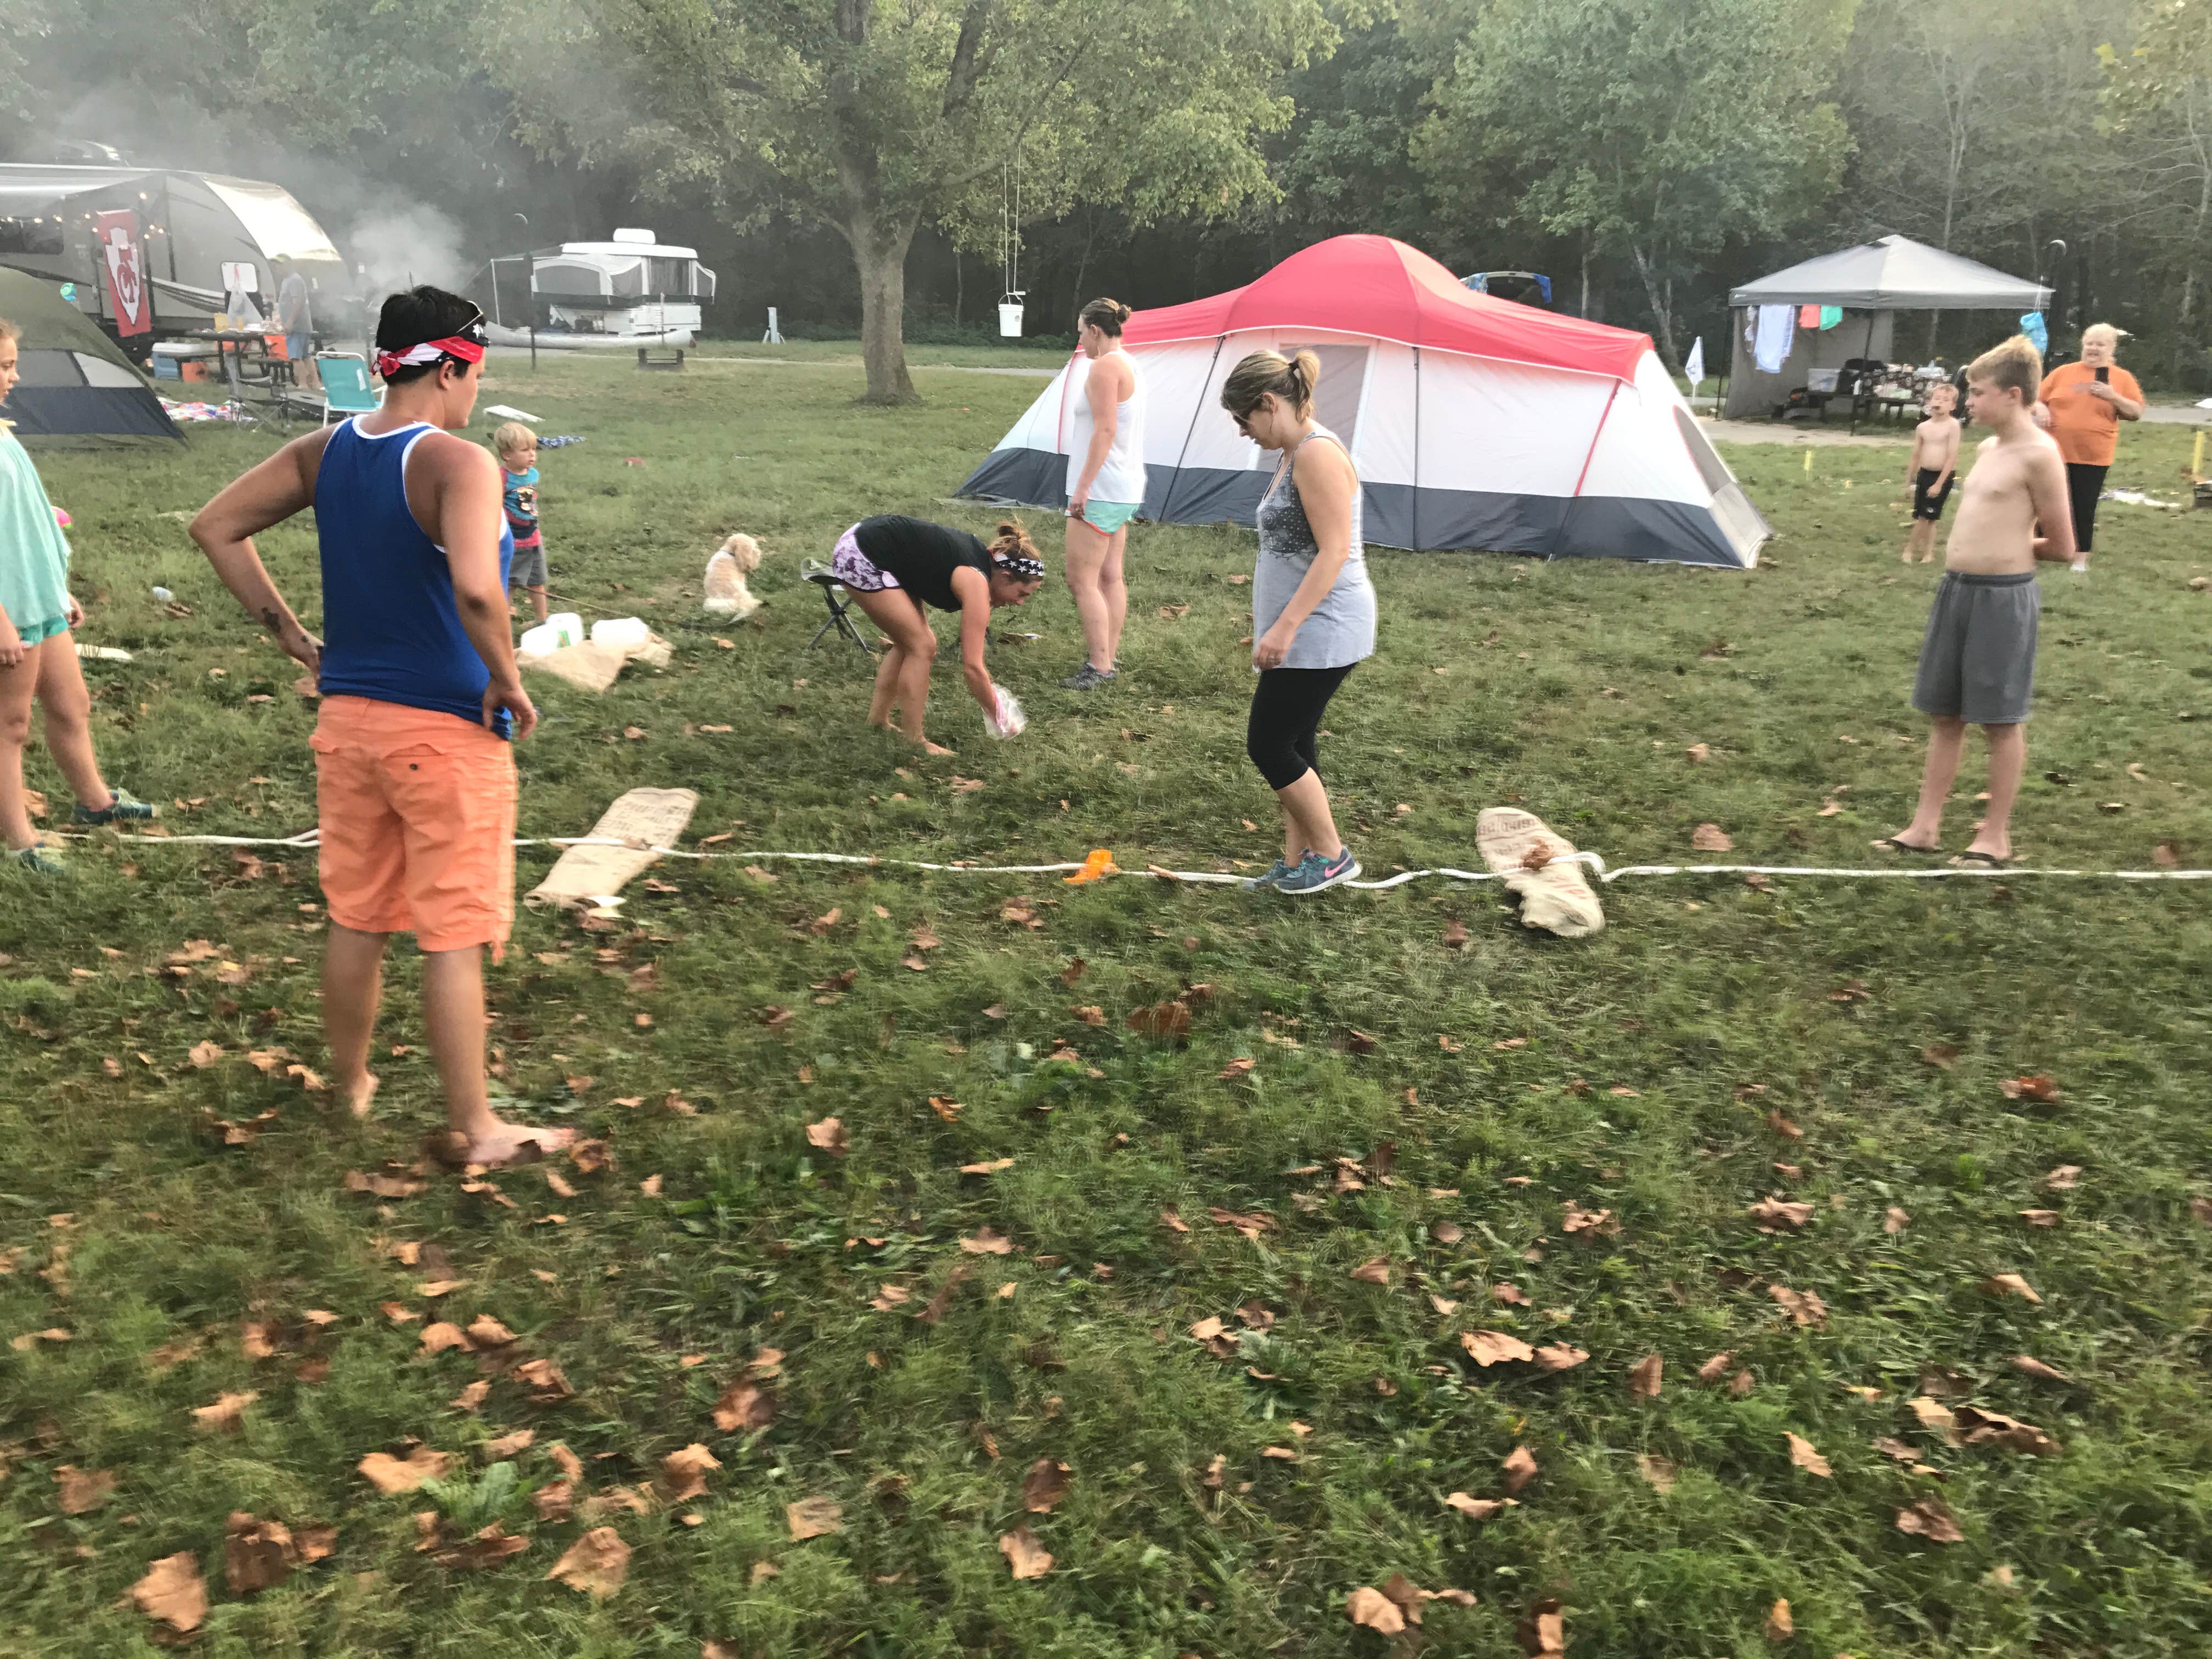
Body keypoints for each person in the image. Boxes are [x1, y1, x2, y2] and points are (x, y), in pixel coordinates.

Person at [189, 285, 570, 1167]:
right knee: (453, 930)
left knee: (357, 916)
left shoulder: (323, 451)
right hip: (445, 730)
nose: (477, 393)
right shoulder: (459, 463)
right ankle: (478, 1129)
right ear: (447, 368)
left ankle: (352, 1082)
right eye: (475, 374)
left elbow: (215, 528)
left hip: (349, 725)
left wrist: (296, 641)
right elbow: (479, 588)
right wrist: (507, 680)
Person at [1880, 336, 2074, 869]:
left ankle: (1994, 837)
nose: (1970, 402)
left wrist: (2011, 548)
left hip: (2002, 601)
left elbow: (2062, 544)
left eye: (1979, 393)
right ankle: (1924, 827)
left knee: (2000, 720)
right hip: (1957, 592)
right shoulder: (1988, 450)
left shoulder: (2040, 455)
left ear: (2013, 396)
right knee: (1944, 715)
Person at [0, 317, 157, 873]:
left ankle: (95, 803)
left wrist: (57, 588)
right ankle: (21, 842)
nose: (12, 377)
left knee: (73, 706)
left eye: (13, 364)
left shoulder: (5, 432)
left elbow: (32, 523)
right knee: (10, 726)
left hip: (40, 600)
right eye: (2, 367)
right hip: (8, 612)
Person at [1218, 348, 1375, 895]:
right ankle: (1296, 864)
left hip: (1325, 627)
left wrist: (1285, 627)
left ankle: (1331, 856)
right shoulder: (1293, 453)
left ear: (1268, 403)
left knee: (1268, 744)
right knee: (1296, 744)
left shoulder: (1317, 455)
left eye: (1244, 419)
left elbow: (1333, 553)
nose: (1244, 432)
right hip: (1302, 627)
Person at [829, 514, 1045, 752]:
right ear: (1005, 576)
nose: (1020, 603)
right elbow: (973, 668)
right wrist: (1001, 717)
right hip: (861, 554)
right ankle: (915, 740)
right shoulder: (975, 582)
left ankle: (878, 721)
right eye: (1022, 594)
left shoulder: (981, 566)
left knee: (910, 642)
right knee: (921, 646)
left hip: (870, 545)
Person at [1059, 297, 1146, 690]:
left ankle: (1099, 667)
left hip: (1101, 488)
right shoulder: (1130, 363)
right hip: (1124, 486)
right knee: (1111, 576)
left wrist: (1082, 487)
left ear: (1095, 330)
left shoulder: (1104, 367)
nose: (1081, 341)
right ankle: (1106, 658)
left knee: (1082, 580)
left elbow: (1106, 430)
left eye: (1081, 333)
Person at [2032, 322, 2141, 560]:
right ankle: (2041, 550)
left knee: (2083, 506)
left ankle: (2080, 557)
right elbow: (2035, 398)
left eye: (2100, 344)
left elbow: (2135, 412)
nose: (2093, 349)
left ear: (2111, 348)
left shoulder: (2122, 378)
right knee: (2046, 504)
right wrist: (2040, 408)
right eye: (2089, 343)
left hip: (2093, 455)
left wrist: (2112, 396)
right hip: (2054, 452)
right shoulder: (2063, 372)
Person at [493, 422, 548, 623]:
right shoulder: (501, 477)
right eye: (525, 450)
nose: (532, 455)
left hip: (533, 536)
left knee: (537, 581)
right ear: (507, 455)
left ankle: (542, 620)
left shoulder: (533, 475)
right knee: (509, 583)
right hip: (512, 541)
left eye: (534, 449)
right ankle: (502, 623)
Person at [1901, 381, 1961, 563]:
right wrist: (1908, 482)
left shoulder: (1953, 426)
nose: (1940, 402)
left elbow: (1952, 457)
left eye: (1945, 400)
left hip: (1941, 477)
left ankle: (1909, 551)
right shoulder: (1923, 428)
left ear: (1952, 406)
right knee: (1926, 516)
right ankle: (1928, 554)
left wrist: (1939, 484)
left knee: (1925, 517)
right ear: (1930, 402)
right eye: (1937, 398)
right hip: (1924, 475)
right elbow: (1915, 455)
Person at [276, 267, 319, 392]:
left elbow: (297, 303)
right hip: (298, 325)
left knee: (296, 356)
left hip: (297, 326)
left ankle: (303, 384)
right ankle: (316, 383)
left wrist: (290, 322)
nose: (277, 269)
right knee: (305, 355)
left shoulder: (295, 280)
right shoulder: (287, 280)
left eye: (279, 266)